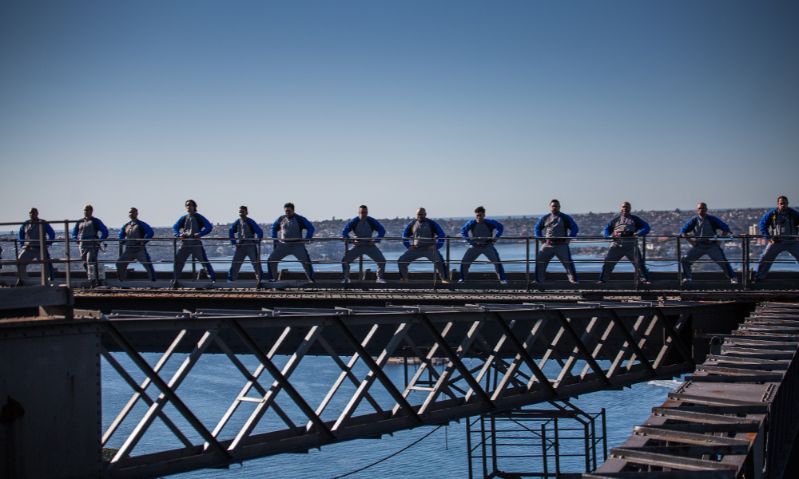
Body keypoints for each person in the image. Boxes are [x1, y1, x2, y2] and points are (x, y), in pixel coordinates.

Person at [679, 202, 737, 284]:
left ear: (706, 210)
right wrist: (691, 242)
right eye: (699, 208)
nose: (701, 210)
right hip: (699, 245)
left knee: (723, 262)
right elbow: (682, 232)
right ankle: (688, 278)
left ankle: (733, 278)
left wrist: (719, 241)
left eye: (703, 208)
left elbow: (726, 228)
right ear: (697, 210)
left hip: (711, 245)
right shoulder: (694, 220)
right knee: (685, 260)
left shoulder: (712, 219)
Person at [598, 201, 651, 285]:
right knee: (608, 262)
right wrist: (608, 236)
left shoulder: (635, 219)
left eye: (627, 206)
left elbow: (647, 227)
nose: (625, 208)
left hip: (631, 244)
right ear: (621, 208)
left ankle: (645, 279)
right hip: (616, 245)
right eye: (623, 207)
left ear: (630, 208)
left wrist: (639, 233)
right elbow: (605, 229)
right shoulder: (615, 220)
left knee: (638, 263)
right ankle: (602, 280)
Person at [753, 195, 799, 282]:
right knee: (765, 258)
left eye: (784, 203)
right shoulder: (772, 213)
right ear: (777, 204)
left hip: (792, 241)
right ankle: (758, 278)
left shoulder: (793, 213)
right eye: (781, 204)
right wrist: (769, 237)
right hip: (776, 241)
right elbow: (762, 225)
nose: (783, 205)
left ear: (787, 204)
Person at [266, 202, 316, 282]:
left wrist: (308, 238)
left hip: (297, 245)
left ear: (293, 210)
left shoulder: (299, 219)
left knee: (306, 262)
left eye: (289, 211)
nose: (287, 213)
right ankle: (273, 279)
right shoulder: (281, 218)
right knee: (271, 260)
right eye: (286, 211)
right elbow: (274, 227)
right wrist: (275, 238)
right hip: (283, 245)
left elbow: (310, 227)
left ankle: (311, 280)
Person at [533, 199, 579, 285]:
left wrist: (569, 238)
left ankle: (574, 281)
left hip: (561, 245)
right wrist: (540, 238)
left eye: (556, 206)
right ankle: (538, 281)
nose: (555, 207)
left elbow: (575, 228)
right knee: (540, 261)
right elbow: (537, 228)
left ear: (559, 207)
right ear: (550, 207)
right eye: (553, 206)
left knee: (568, 263)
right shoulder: (545, 218)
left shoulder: (565, 217)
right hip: (548, 244)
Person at [172, 199, 216, 287]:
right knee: (178, 261)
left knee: (204, 262)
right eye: (187, 205)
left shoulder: (198, 217)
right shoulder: (184, 218)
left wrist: (200, 234)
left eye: (191, 205)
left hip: (196, 243)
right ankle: (175, 280)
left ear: (194, 207)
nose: (189, 207)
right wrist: (179, 234)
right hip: (185, 243)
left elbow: (209, 227)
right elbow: (174, 227)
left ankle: (213, 280)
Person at [398, 207, 449, 282]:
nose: (420, 216)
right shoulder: (412, 223)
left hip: (429, 249)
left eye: (421, 214)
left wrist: (436, 246)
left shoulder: (431, 223)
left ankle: (444, 279)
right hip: (416, 248)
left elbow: (441, 235)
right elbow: (404, 235)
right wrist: (408, 246)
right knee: (401, 261)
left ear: (425, 214)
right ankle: (404, 279)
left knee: (439, 262)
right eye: (418, 214)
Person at [458, 206, 507, 284]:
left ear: (484, 215)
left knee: (497, 262)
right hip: (475, 246)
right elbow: (463, 231)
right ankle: (462, 279)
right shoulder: (471, 223)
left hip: (487, 246)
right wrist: (470, 242)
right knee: (464, 262)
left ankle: (502, 280)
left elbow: (500, 227)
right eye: (477, 215)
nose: (479, 217)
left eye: (480, 215)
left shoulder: (490, 222)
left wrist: (495, 238)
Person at [340, 205, 387, 283]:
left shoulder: (371, 220)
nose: (363, 214)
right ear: (358, 212)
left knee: (382, 261)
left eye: (365, 212)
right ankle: (346, 278)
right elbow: (344, 232)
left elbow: (382, 230)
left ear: (367, 213)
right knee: (345, 260)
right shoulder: (354, 221)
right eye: (362, 212)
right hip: (358, 245)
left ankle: (380, 278)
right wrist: (352, 241)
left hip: (369, 245)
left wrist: (375, 240)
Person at [16, 207, 56, 286]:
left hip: (40, 248)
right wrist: (22, 244)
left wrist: (48, 243)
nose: (32, 214)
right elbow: (21, 234)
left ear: (37, 213)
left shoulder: (43, 223)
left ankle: (47, 282)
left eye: (33, 212)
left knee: (46, 265)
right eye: (30, 213)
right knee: (20, 261)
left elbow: (52, 233)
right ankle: (23, 279)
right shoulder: (26, 223)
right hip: (29, 248)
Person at [71, 204, 109, 287]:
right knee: (85, 263)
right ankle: (95, 279)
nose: (86, 212)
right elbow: (74, 232)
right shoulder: (80, 221)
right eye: (85, 210)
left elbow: (105, 231)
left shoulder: (96, 221)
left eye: (88, 210)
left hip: (92, 245)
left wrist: (100, 240)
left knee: (90, 261)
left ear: (91, 211)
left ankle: (92, 281)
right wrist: (76, 239)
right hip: (82, 245)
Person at [116, 207, 157, 282]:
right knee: (120, 263)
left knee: (147, 265)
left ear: (137, 213)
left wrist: (143, 241)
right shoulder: (126, 225)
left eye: (133, 212)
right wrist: (123, 241)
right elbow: (120, 234)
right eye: (130, 212)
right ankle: (122, 282)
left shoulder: (141, 224)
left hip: (139, 249)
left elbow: (150, 232)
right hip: (129, 249)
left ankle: (153, 282)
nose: (131, 214)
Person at [228, 205, 264, 283]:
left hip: (250, 245)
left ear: (246, 212)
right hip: (240, 245)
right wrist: (234, 242)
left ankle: (260, 279)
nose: (241, 213)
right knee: (235, 263)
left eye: (242, 211)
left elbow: (259, 232)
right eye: (240, 211)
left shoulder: (250, 221)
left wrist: (257, 241)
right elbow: (231, 231)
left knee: (255, 263)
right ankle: (231, 280)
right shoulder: (237, 222)